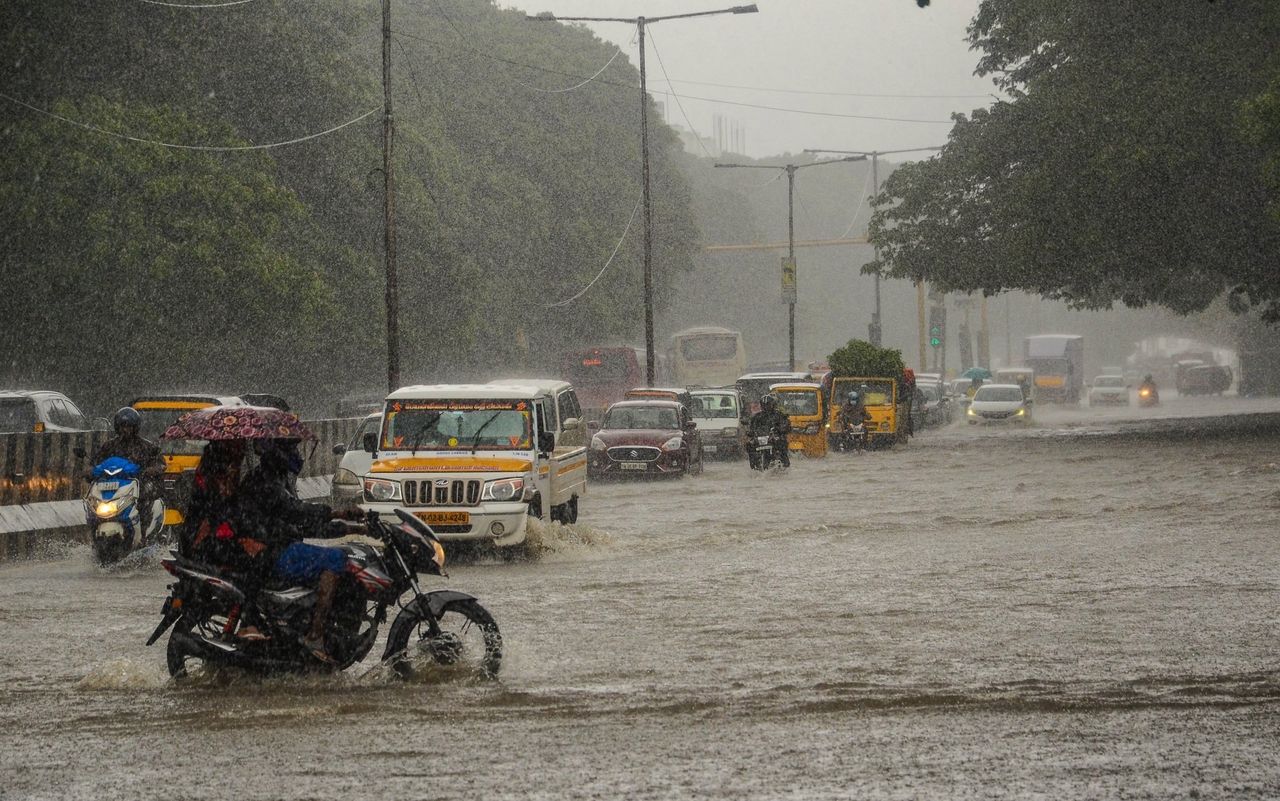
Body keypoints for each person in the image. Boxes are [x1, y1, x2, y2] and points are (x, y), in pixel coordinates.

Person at [239, 438, 362, 663]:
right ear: (277, 453)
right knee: (337, 559)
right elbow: (296, 512)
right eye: (291, 449)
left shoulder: (278, 479)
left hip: (280, 546)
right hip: (272, 552)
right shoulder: (265, 481)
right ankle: (314, 635)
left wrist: (354, 528)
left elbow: (305, 525)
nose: (297, 454)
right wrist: (338, 513)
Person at [93, 407, 166, 533]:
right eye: (122, 427)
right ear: (117, 427)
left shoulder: (147, 446)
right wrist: (89, 471)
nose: (125, 430)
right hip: (112, 487)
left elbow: (160, 463)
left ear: (135, 427)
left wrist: (150, 470)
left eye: (129, 427)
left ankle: (143, 531)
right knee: (93, 503)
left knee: (143, 499)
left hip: (136, 484)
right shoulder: (109, 446)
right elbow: (95, 462)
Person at [748, 393, 791, 468]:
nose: (766, 407)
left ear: (772, 405)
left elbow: (786, 424)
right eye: (764, 405)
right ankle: (753, 465)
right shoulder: (757, 417)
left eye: (768, 405)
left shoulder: (778, 415)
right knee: (749, 445)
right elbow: (752, 428)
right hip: (761, 440)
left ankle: (784, 465)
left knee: (781, 444)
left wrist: (780, 429)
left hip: (775, 438)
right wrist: (751, 433)